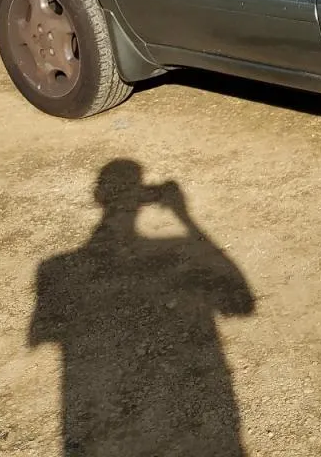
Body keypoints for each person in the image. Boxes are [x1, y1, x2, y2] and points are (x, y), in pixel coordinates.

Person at [28, 160, 254, 457]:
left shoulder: (54, 269)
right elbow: (241, 303)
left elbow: (44, 334)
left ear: (98, 197)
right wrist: (184, 217)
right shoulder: (177, 251)